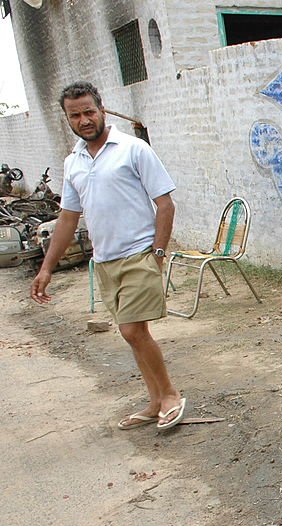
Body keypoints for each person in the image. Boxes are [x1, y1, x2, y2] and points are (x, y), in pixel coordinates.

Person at [30, 81, 187, 432]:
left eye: (89, 111)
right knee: (132, 333)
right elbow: (68, 219)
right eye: (76, 115)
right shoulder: (74, 163)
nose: (84, 120)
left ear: (102, 109)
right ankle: (154, 401)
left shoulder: (133, 150)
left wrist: (157, 255)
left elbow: (165, 203)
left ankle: (171, 395)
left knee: (132, 329)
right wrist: (46, 268)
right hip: (104, 261)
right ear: (67, 120)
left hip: (139, 254)